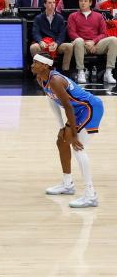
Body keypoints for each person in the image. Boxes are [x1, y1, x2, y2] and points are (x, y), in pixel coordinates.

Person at [32, 54, 104, 208]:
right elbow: (53, 102)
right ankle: (67, 184)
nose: (32, 65)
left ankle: (91, 195)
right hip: (76, 111)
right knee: (62, 141)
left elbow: (69, 107)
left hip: (89, 108)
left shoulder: (56, 80)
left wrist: (74, 134)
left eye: (36, 63)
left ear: (46, 66)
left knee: (77, 147)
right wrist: (61, 128)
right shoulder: (41, 78)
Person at [66, 0, 117, 84]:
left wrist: (93, 42)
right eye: (81, 1)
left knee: (114, 40)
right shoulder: (72, 16)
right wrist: (86, 42)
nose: (83, 3)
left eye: (85, 1)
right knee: (78, 40)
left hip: (96, 45)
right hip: (81, 45)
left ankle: (108, 72)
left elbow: (103, 33)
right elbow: (72, 33)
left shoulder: (98, 16)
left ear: (90, 3)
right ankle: (81, 71)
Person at [30, 0, 74, 72]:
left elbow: (62, 33)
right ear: (44, 4)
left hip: (55, 44)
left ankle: (65, 71)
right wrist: (40, 41)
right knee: (34, 47)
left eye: (54, 2)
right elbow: (35, 32)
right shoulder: (38, 18)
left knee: (69, 46)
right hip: (43, 43)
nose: (52, 4)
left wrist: (57, 43)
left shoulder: (60, 18)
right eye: (50, 3)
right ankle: (39, 71)